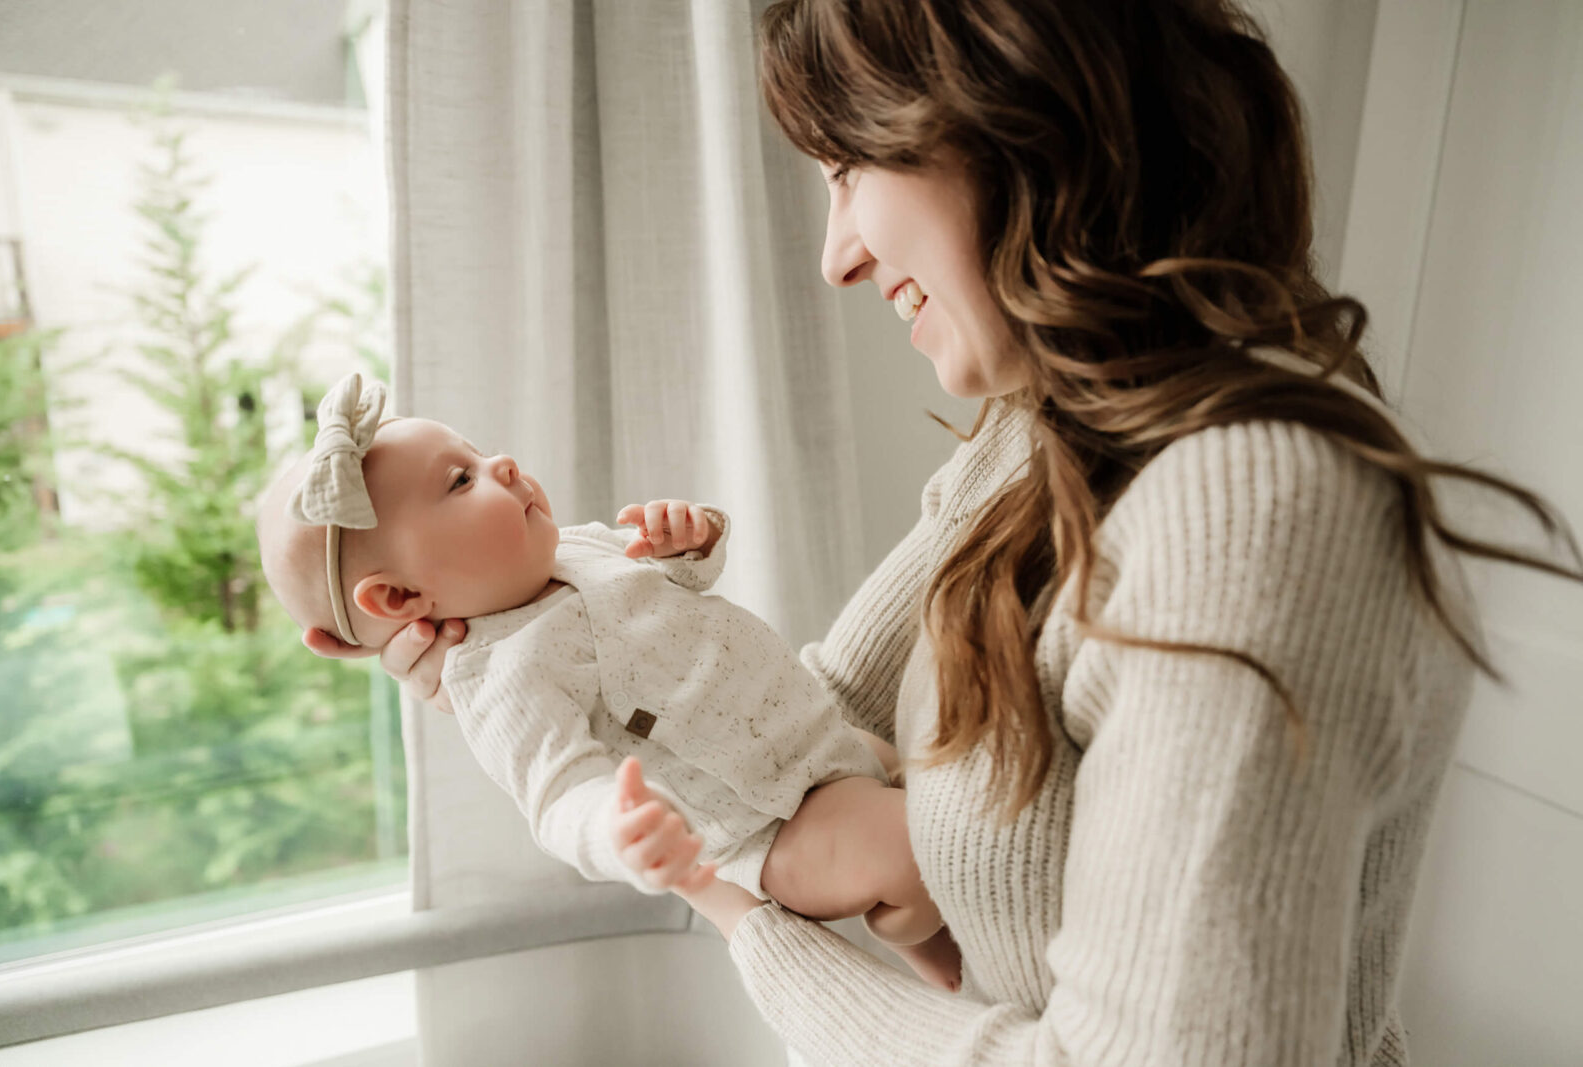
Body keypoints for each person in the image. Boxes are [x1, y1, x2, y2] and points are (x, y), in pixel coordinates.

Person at [308, 1, 1583, 1062]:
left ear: (1018, 108)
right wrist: (503, 652)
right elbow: (792, 706)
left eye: (847, 168)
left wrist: (740, 912)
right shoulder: (1045, 440)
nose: (836, 258)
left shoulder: (1248, 509)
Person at [260, 373, 964, 990]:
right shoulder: (503, 676)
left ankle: (931, 932)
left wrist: (693, 541)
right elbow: (558, 792)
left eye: (475, 451)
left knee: (938, 770)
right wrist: (616, 828)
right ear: (401, 599)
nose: (499, 463)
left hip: (821, 735)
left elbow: (683, 588)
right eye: (460, 480)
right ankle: (916, 931)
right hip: (775, 822)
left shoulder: (574, 545)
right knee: (923, 843)